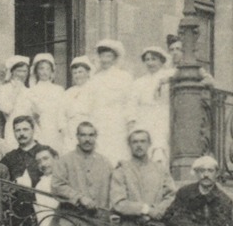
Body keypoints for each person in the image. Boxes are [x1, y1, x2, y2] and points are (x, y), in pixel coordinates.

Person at [51, 122, 115, 226]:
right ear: (77, 137)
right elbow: (57, 186)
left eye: (91, 135)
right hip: (71, 224)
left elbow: (115, 189)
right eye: (83, 135)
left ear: (96, 137)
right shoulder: (65, 160)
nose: (87, 139)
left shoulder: (106, 163)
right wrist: (79, 198)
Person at [166, 155, 233, 226]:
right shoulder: (185, 192)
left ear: (216, 174)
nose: (206, 175)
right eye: (202, 171)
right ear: (196, 173)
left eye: (210, 171)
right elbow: (170, 215)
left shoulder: (223, 200)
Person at [108, 128, 177, 224]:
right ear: (129, 145)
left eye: (143, 141)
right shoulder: (121, 170)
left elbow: (171, 195)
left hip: (158, 224)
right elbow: (118, 202)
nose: (139, 145)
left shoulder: (160, 169)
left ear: (149, 144)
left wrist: (158, 210)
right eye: (135, 142)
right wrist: (146, 210)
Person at [85, 39, 135, 167]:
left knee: (118, 153)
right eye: (102, 56)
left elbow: (130, 101)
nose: (105, 60)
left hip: (117, 121)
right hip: (98, 120)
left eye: (108, 56)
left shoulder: (124, 77)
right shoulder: (94, 79)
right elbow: (89, 104)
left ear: (114, 58)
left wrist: (131, 122)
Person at [127, 45, 172, 163]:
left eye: (154, 59)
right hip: (144, 117)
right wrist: (132, 120)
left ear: (161, 61)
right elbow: (132, 102)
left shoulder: (169, 76)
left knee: (160, 145)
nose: (150, 63)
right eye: (147, 59)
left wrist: (168, 80)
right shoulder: (139, 82)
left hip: (163, 116)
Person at [25, 53, 68, 152]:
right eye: (41, 68)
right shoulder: (31, 91)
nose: (44, 72)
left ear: (52, 71)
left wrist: (62, 130)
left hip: (55, 129)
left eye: (47, 69)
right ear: (36, 71)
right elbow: (29, 113)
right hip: (39, 129)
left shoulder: (59, 90)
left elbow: (62, 112)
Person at [60, 56, 97, 153]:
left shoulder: (94, 90)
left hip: (89, 128)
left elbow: (97, 112)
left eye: (80, 72)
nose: (77, 75)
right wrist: (66, 134)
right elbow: (61, 115)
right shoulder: (68, 93)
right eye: (75, 73)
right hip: (71, 131)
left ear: (88, 73)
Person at [0, 55, 36, 141]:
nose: (22, 74)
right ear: (12, 72)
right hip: (12, 129)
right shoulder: (2, 88)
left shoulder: (29, 90)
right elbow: (6, 109)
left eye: (25, 71)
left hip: (29, 130)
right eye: (19, 71)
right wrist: (15, 91)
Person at [31, 146, 61, 226]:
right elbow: (42, 215)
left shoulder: (67, 178)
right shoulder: (40, 185)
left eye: (45, 158)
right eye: (38, 161)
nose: (43, 164)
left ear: (56, 158)